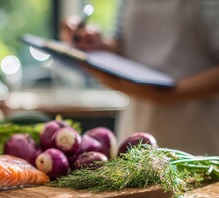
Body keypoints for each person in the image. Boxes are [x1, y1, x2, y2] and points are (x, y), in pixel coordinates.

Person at [61, 0, 219, 155]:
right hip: (137, 125)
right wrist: (97, 44)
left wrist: (165, 94)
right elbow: (124, 46)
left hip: (199, 133)